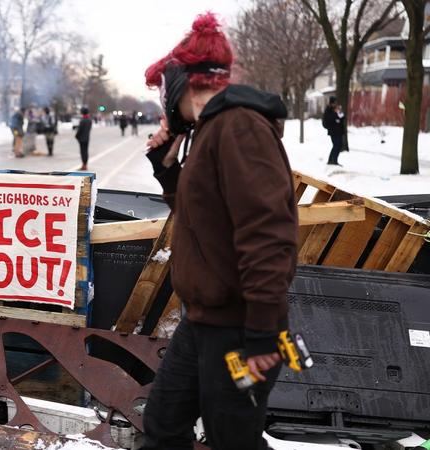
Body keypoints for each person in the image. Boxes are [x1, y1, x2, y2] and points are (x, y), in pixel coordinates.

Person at [141, 13, 298, 450]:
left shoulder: (239, 127)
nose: (163, 104)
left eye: (162, 90)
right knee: (163, 424)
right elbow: (201, 222)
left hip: (240, 327)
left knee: (233, 439)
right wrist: (166, 169)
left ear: (180, 83)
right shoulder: (209, 131)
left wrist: (261, 334)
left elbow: (269, 234)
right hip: (204, 322)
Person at [322, 96, 345, 166]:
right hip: (333, 131)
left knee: (339, 145)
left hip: (339, 131)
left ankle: (334, 160)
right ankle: (332, 160)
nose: (335, 104)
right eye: (334, 103)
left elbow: (342, 117)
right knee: (336, 145)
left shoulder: (337, 109)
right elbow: (329, 119)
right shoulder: (328, 110)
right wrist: (335, 115)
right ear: (331, 103)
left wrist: (339, 112)